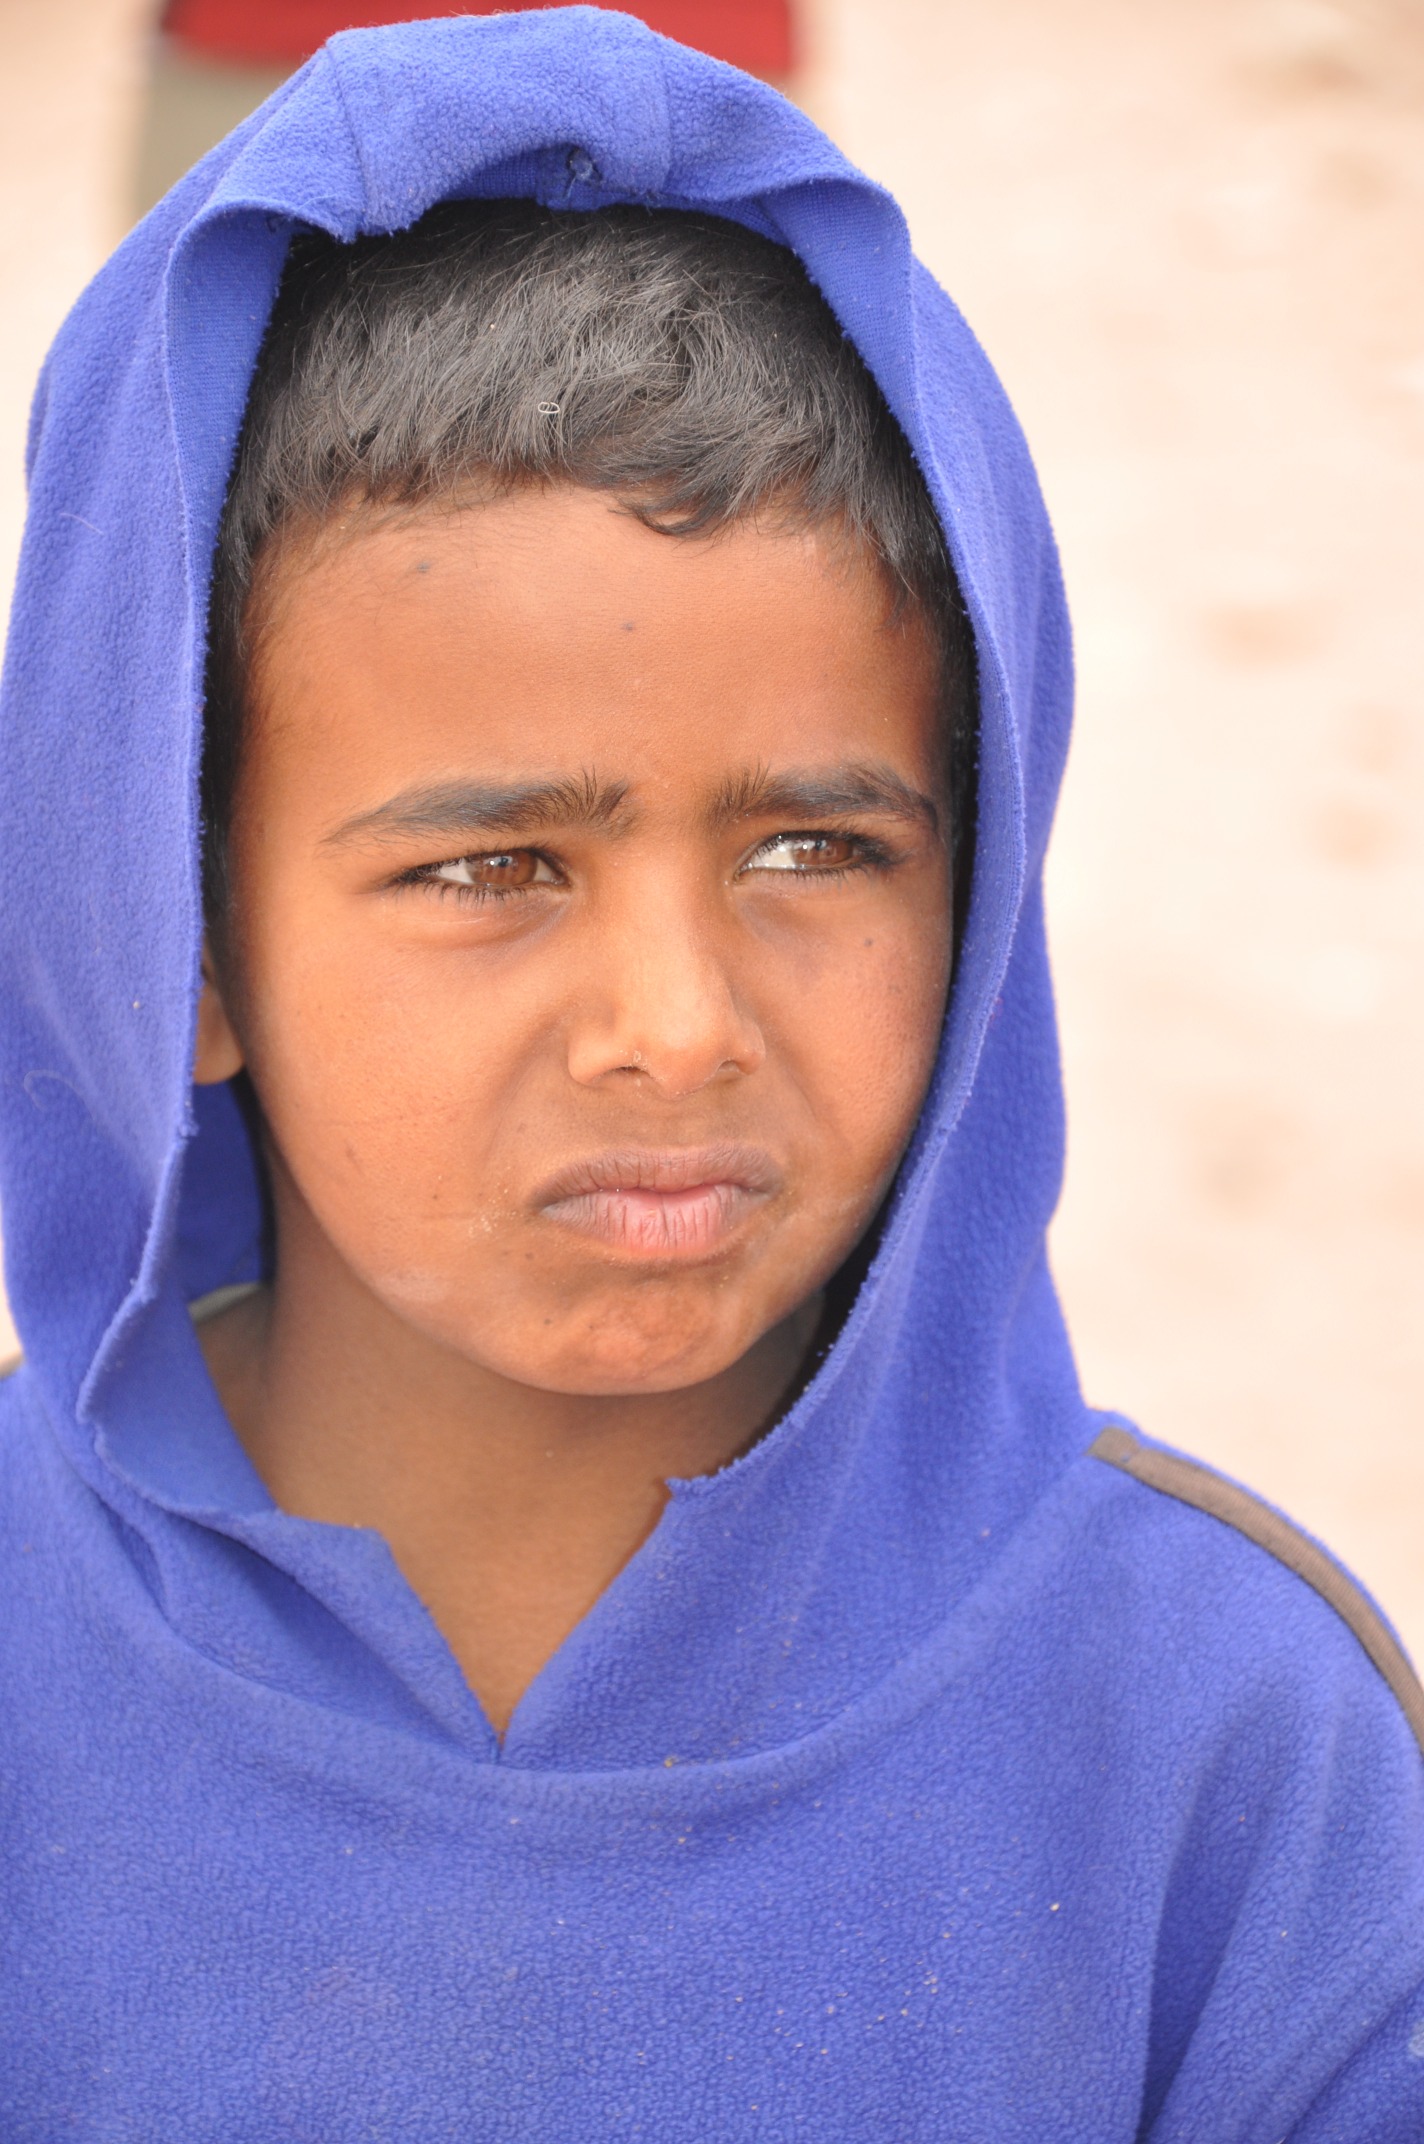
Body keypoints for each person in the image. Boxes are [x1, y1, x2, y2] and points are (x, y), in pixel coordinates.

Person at [0, 10, 1420, 2135]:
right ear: (177, 942)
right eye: (490, 869)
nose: (677, 1023)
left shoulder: (1234, 1753)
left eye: (814, 850)